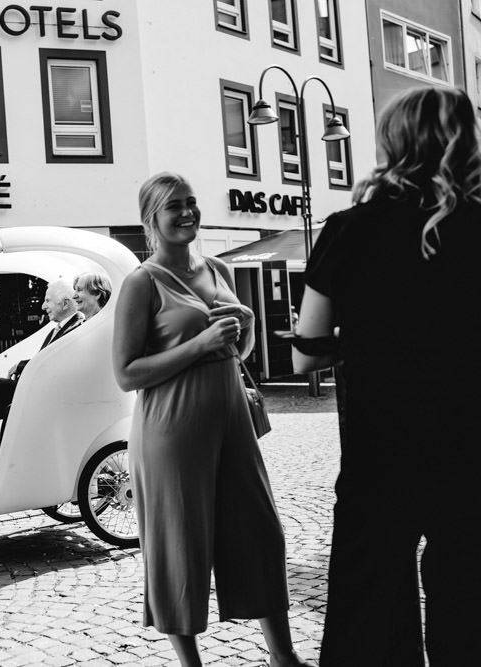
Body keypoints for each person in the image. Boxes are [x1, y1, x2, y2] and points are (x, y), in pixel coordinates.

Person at [292, 86, 480, 667]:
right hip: (470, 449)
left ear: (392, 143)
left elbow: (306, 354)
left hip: (380, 450)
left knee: (369, 616)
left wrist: (371, 338)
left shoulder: (349, 229)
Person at [112, 172, 311, 667]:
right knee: (180, 544)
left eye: (192, 203)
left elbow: (236, 352)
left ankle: (282, 656)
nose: (187, 213)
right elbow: (125, 373)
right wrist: (198, 343)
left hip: (232, 423)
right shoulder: (142, 282)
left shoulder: (218, 266)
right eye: (173, 206)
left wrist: (246, 329)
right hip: (171, 431)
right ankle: (190, 663)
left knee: (261, 532)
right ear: (151, 219)